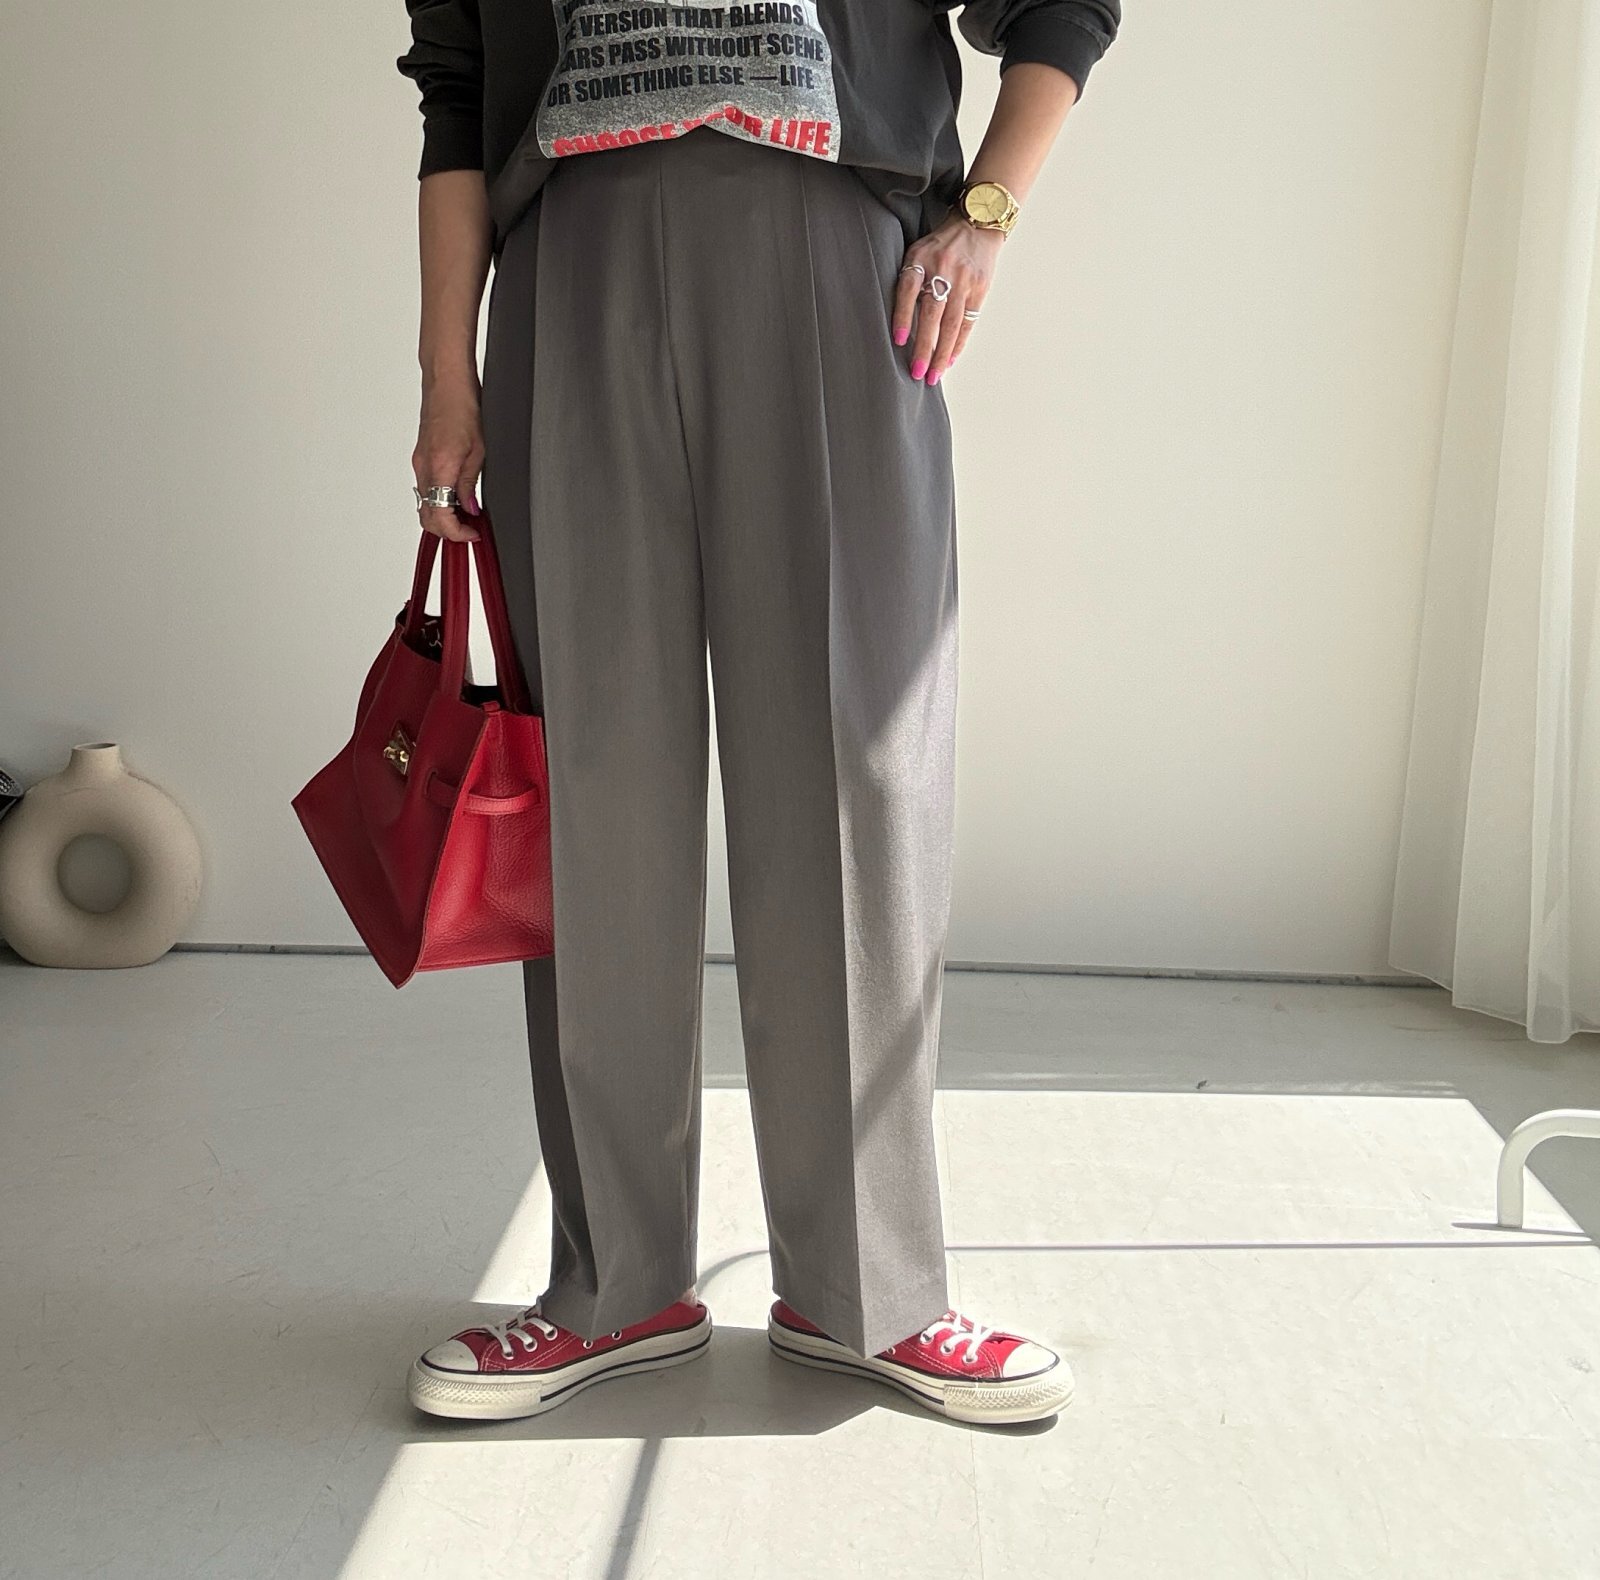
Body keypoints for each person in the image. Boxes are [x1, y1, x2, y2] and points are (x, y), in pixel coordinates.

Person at [395, 0, 1120, 1428]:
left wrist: (985, 214)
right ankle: (615, 1287)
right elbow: (458, 91)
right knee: (594, 782)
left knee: (856, 775)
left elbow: (1063, 8)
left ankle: (868, 1291)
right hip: (571, 265)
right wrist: (447, 372)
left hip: (837, 258)